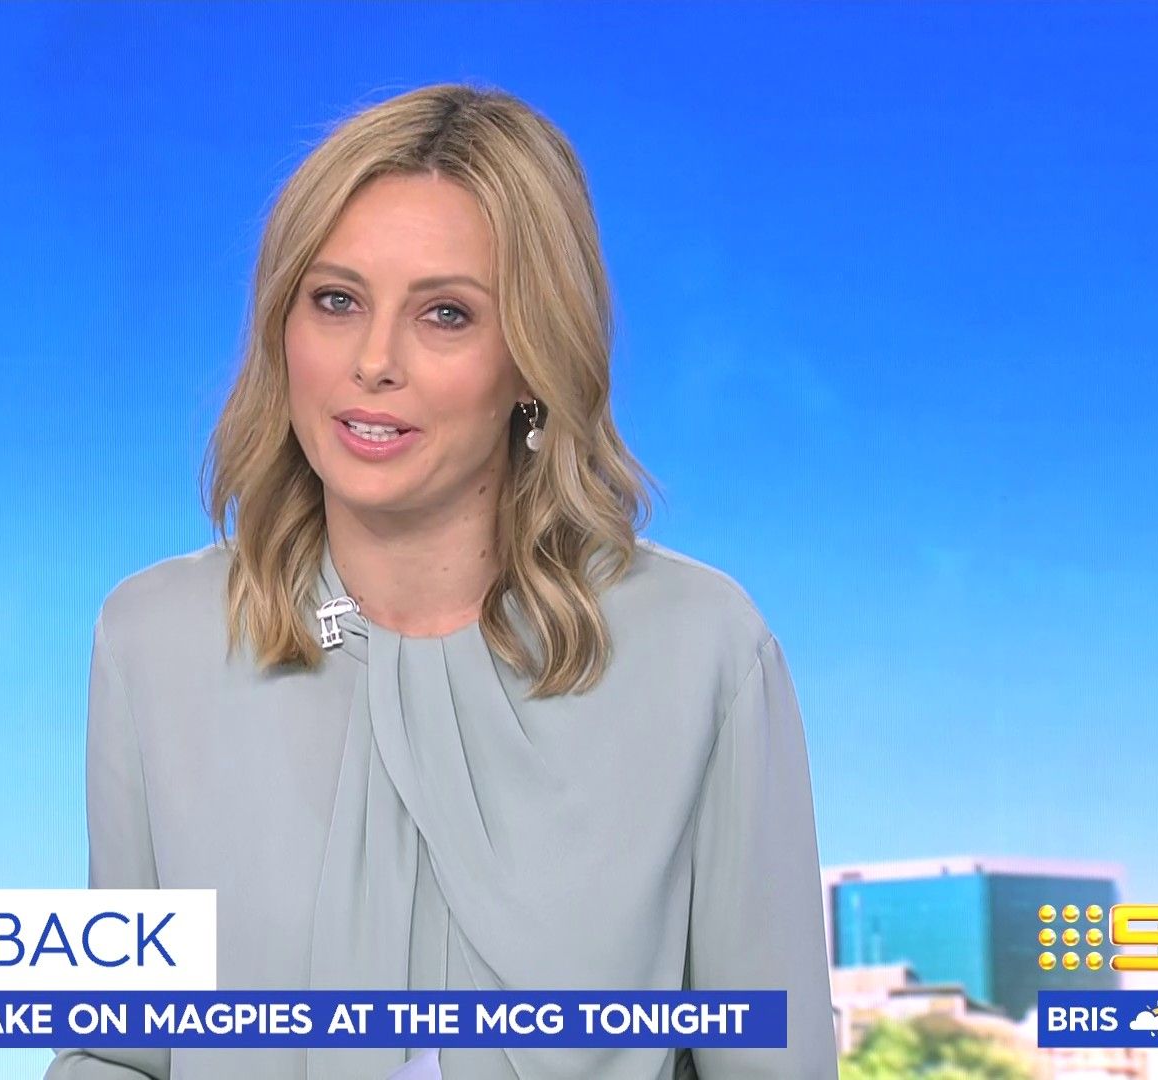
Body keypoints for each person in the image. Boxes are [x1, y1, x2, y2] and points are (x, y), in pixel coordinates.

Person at [47, 82, 836, 1080]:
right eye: (336, 301)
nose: (373, 362)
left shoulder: (700, 649)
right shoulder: (155, 638)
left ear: (534, 361)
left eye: (446, 315)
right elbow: (119, 1052)